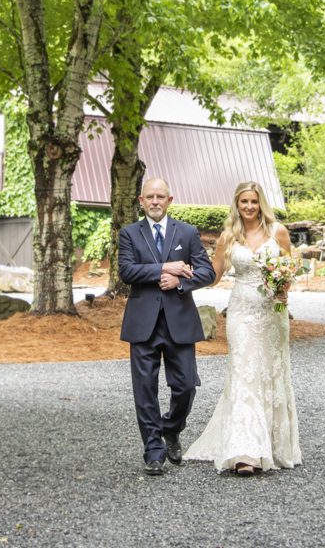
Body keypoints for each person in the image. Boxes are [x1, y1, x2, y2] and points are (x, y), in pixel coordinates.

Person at [185, 181, 301, 475]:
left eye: (253, 201)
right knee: (244, 372)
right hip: (241, 312)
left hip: (272, 313)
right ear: (236, 205)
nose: (248, 207)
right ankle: (245, 452)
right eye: (243, 202)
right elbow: (213, 275)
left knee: (270, 373)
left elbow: (289, 270)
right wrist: (183, 274)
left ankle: (272, 446)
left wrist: (285, 289)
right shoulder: (229, 236)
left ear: (261, 203)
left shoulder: (279, 232)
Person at [117, 177, 216, 476]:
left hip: (180, 321)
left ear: (170, 200)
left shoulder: (186, 232)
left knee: (186, 385)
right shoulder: (129, 234)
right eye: (150, 197)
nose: (155, 201)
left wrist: (180, 280)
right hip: (143, 322)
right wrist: (165, 267)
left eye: (161, 196)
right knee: (144, 390)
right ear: (141, 200)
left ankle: (171, 429)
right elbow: (126, 270)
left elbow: (207, 272)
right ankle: (153, 450)